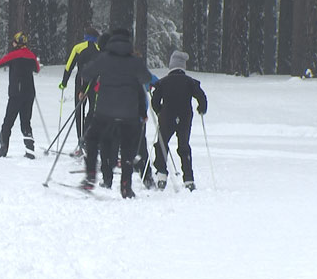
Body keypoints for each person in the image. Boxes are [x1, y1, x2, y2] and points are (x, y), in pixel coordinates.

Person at [77, 28, 152, 198]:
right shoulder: (135, 61)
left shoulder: (104, 58)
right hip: (129, 114)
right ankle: (126, 185)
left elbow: (87, 73)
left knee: (92, 139)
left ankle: (90, 176)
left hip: (104, 111)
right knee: (127, 147)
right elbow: (146, 79)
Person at [151, 50, 207, 191]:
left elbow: (155, 101)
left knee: (161, 144)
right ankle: (188, 178)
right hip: (185, 117)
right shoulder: (190, 82)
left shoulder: (162, 82)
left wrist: (159, 111)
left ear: (171, 66)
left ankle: (162, 174)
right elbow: (201, 96)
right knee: (184, 146)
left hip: (166, 117)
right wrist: (202, 108)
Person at [0, 31, 41, 159]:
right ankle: (30, 150)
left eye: (14, 41)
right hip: (29, 93)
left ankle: (3, 149)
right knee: (26, 122)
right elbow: (37, 69)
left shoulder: (13, 55)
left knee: (8, 122)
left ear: (17, 43)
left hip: (16, 94)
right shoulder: (31, 56)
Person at [59, 27, 100, 156]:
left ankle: (81, 143)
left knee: (79, 112)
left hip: (81, 80)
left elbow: (69, 65)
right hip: (96, 82)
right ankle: (90, 140)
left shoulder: (78, 47)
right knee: (93, 112)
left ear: (85, 36)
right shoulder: (100, 49)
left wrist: (64, 83)